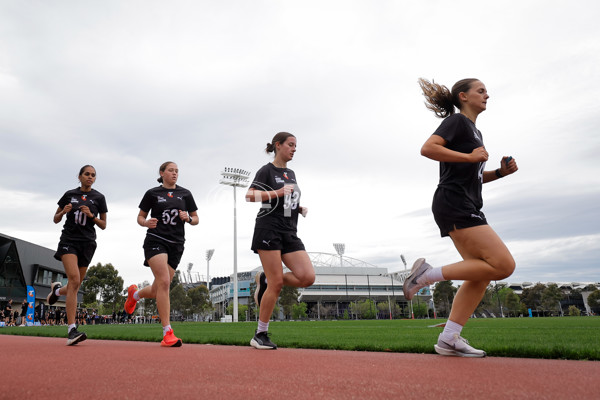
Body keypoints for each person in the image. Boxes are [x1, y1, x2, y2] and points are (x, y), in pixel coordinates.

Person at [403, 78, 518, 357]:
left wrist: (500, 173)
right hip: (454, 203)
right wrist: (469, 158)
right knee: (503, 265)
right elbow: (427, 148)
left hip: (466, 202)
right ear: (464, 96)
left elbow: (473, 178)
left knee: (479, 274)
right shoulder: (457, 122)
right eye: (481, 91)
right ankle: (425, 275)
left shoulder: (475, 132)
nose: (487, 95)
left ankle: (449, 338)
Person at [245, 132, 315, 350]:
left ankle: (265, 279)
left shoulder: (291, 173)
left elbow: (287, 198)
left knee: (307, 277)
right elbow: (250, 196)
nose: (294, 149)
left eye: (296, 146)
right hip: (268, 229)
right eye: (290, 145)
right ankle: (260, 334)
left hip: (289, 230)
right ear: (278, 145)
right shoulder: (267, 170)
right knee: (277, 284)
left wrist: (297, 207)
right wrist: (277, 192)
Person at [124, 161, 198, 347]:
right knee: (165, 281)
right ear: (162, 173)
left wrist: (188, 218)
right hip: (156, 240)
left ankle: (134, 296)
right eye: (171, 170)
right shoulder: (152, 194)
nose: (175, 174)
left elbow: (196, 218)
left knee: (158, 289)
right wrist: (145, 223)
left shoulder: (185, 194)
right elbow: (140, 217)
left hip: (177, 244)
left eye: (177, 171)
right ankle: (167, 333)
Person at [47, 165, 108, 345]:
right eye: (87, 174)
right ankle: (71, 330)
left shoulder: (99, 198)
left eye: (93, 175)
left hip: (88, 243)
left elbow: (103, 224)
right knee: (73, 280)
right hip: (69, 241)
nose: (90, 177)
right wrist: (63, 211)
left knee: (76, 284)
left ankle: (57, 291)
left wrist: (91, 216)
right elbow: (55, 219)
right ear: (80, 176)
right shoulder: (69, 195)